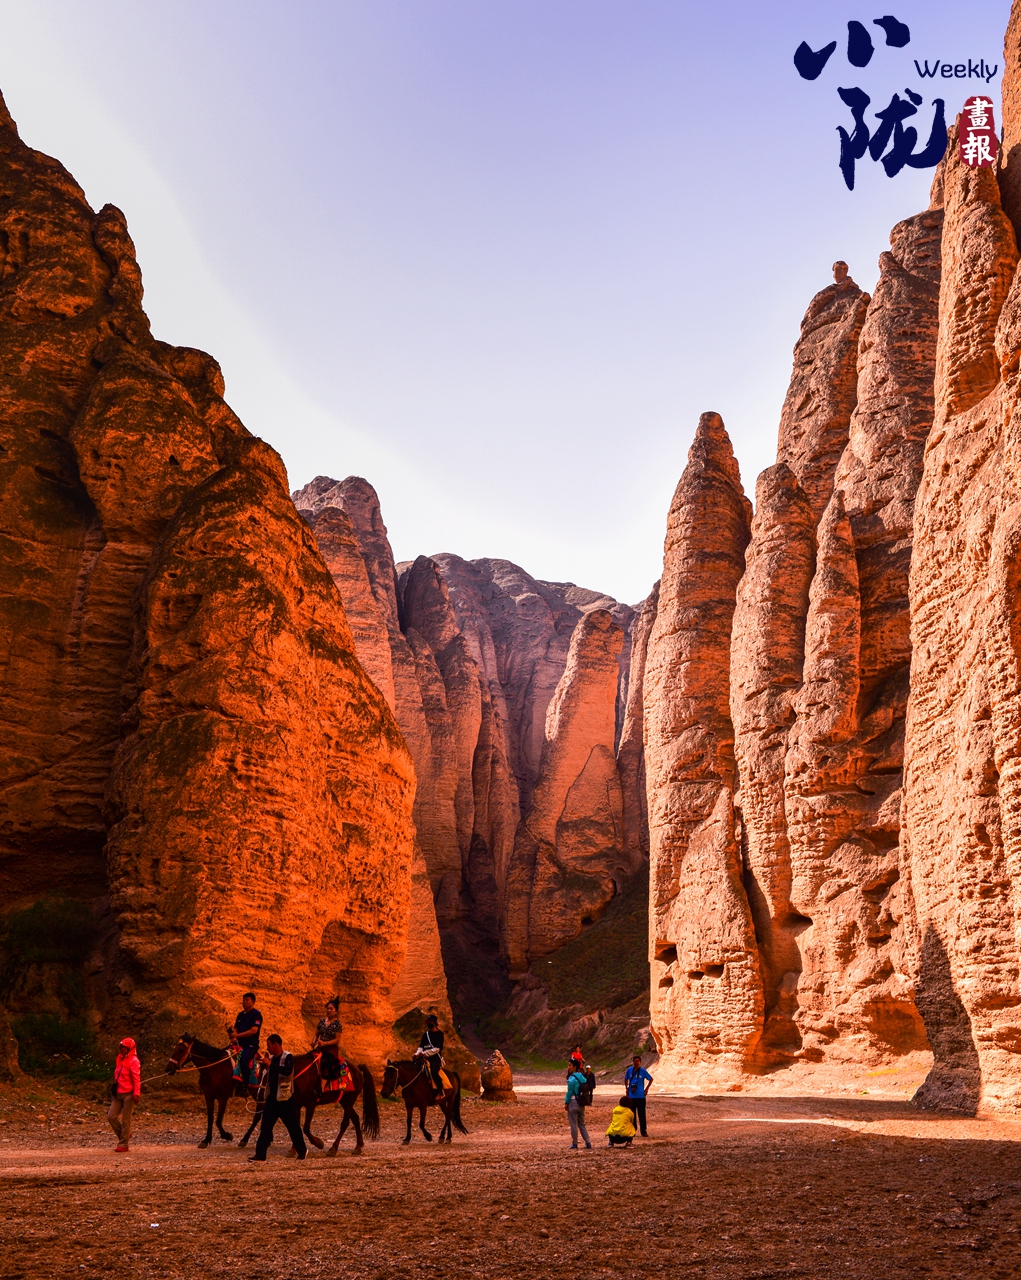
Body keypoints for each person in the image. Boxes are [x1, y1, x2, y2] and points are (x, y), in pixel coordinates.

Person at [248, 1034, 307, 1162]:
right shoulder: (271, 1059)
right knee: (265, 1127)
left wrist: (270, 1065)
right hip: (272, 1099)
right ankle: (260, 1155)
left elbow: (287, 1071)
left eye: (269, 1045)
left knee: (293, 1127)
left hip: (286, 1099)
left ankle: (302, 1151)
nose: (267, 1048)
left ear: (276, 1045)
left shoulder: (288, 1057)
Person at [108, 1037, 141, 1153]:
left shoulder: (134, 1061)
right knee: (111, 1116)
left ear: (130, 1048)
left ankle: (123, 1144)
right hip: (118, 1094)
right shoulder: (119, 1058)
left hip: (129, 1095)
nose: (122, 1049)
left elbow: (136, 1078)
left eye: (125, 1048)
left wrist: (136, 1094)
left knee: (126, 1121)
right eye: (121, 1047)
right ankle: (125, 1135)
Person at [227, 992, 263, 1086]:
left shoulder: (256, 1014)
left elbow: (253, 1030)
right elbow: (236, 1028)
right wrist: (233, 1035)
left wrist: (237, 1036)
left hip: (250, 1045)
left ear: (253, 1001)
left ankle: (245, 1086)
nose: (244, 1002)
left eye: (247, 1000)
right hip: (239, 1043)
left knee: (244, 1060)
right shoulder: (240, 1015)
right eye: (243, 1000)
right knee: (224, 1055)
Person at [312, 996, 344, 1088]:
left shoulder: (337, 1024)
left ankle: (321, 1088)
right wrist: (314, 1041)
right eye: (328, 1008)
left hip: (330, 1050)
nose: (329, 1010)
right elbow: (316, 1034)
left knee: (326, 1063)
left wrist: (325, 1043)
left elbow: (337, 1040)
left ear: (336, 1011)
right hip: (320, 1048)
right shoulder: (322, 1021)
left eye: (331, 1009)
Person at [414, 1013, 445, 1099]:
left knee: (434, 1072)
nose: (429, 1024)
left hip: (435, 1058)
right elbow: (421, 1046)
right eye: (428, 1022)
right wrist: (416, 1054)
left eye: (430, 1022)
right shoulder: (425, 1034)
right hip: (424, 1057)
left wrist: (424, 1053)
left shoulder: (440, 1034)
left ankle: (440, 1091)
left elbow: (437, 1049)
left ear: (435, 1023)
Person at [623, 1054, 653, 1137]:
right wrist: (626, 1089)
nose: (636, 1063)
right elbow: (625, 1079)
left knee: (642, 1114)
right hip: (631, 1097)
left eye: (638, 1061)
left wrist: (646, 1089)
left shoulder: (643, 1071)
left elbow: (651, 1079)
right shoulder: (629, 1070)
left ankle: (643, 1131)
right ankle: (633, 1130)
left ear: (640, 1062)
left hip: (641, 1096)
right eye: (635, 1061)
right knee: (632, 1115)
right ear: (633, 1062)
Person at [565, 1062, 591, 1150]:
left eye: (570, 1065)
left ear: (574, 1067)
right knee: (582, 1124)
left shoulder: (571, 1079)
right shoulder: (582, 1077)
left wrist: (566, 1102)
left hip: (573, 1102)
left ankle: (575, 1143)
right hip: (581, 1102)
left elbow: (569, 1092)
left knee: (574, 1124)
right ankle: (588, 1142)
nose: (568, 1067)